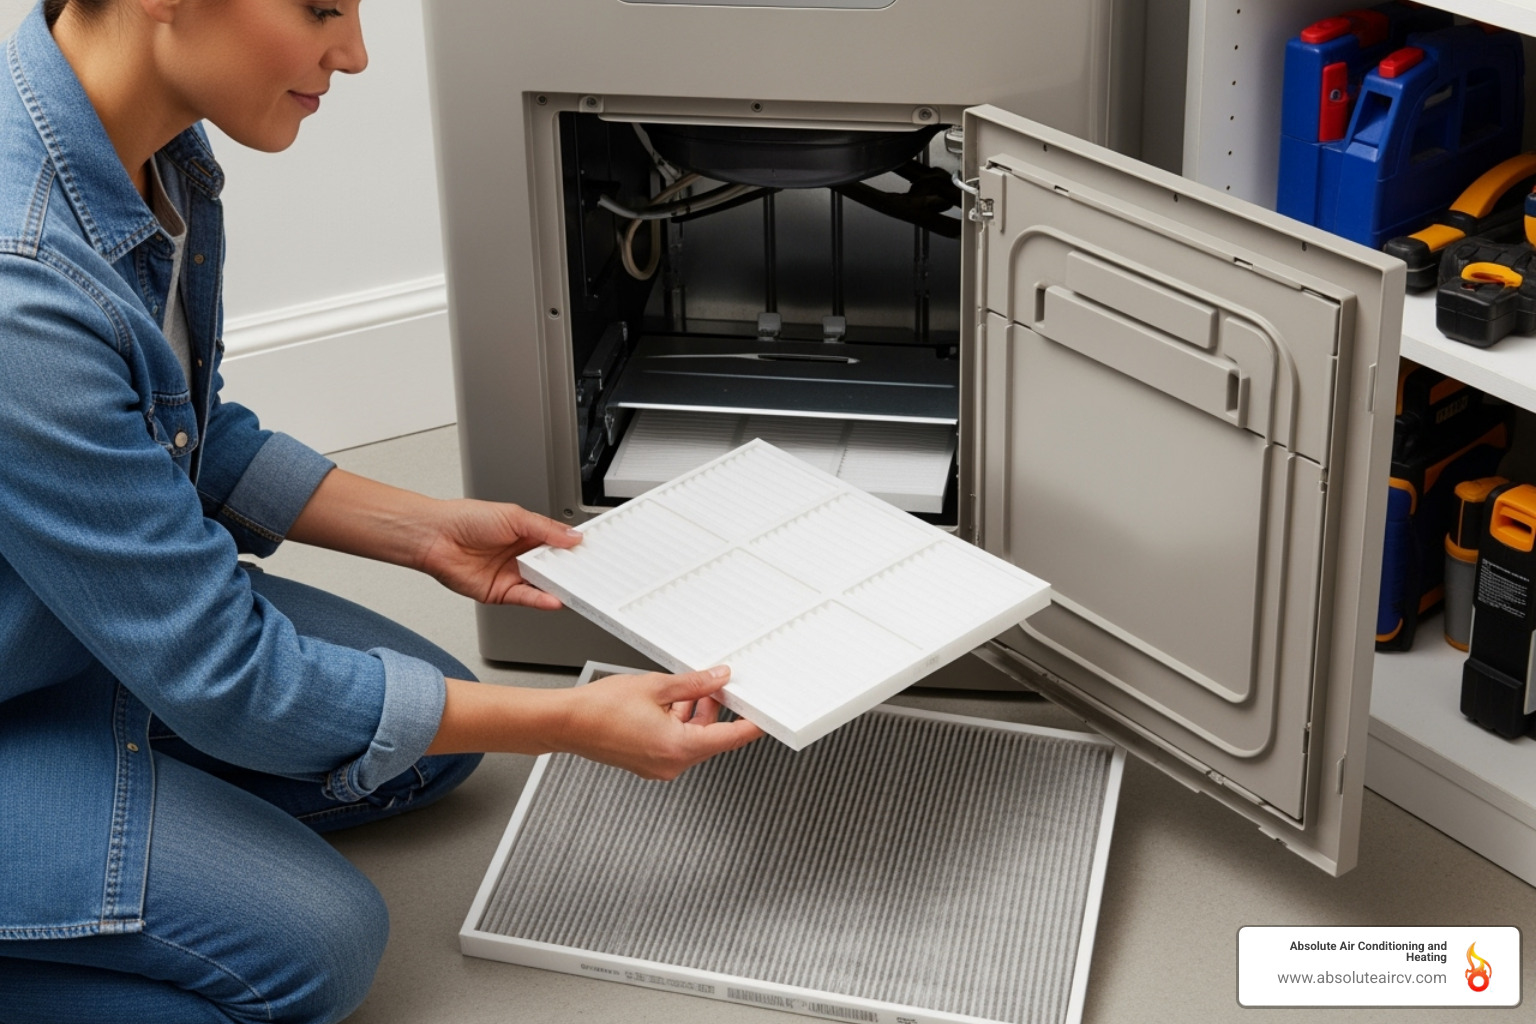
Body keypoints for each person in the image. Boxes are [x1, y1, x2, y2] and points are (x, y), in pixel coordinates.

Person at [0, 2, 764, 1021]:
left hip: (65, 627)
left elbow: (182, 430)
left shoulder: (157, 155)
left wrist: (424, 529)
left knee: (426, 734)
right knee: (317, 946)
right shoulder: (22, 290)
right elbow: (234, 680)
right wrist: (571, 724)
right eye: (321, 7)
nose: (355, 54)